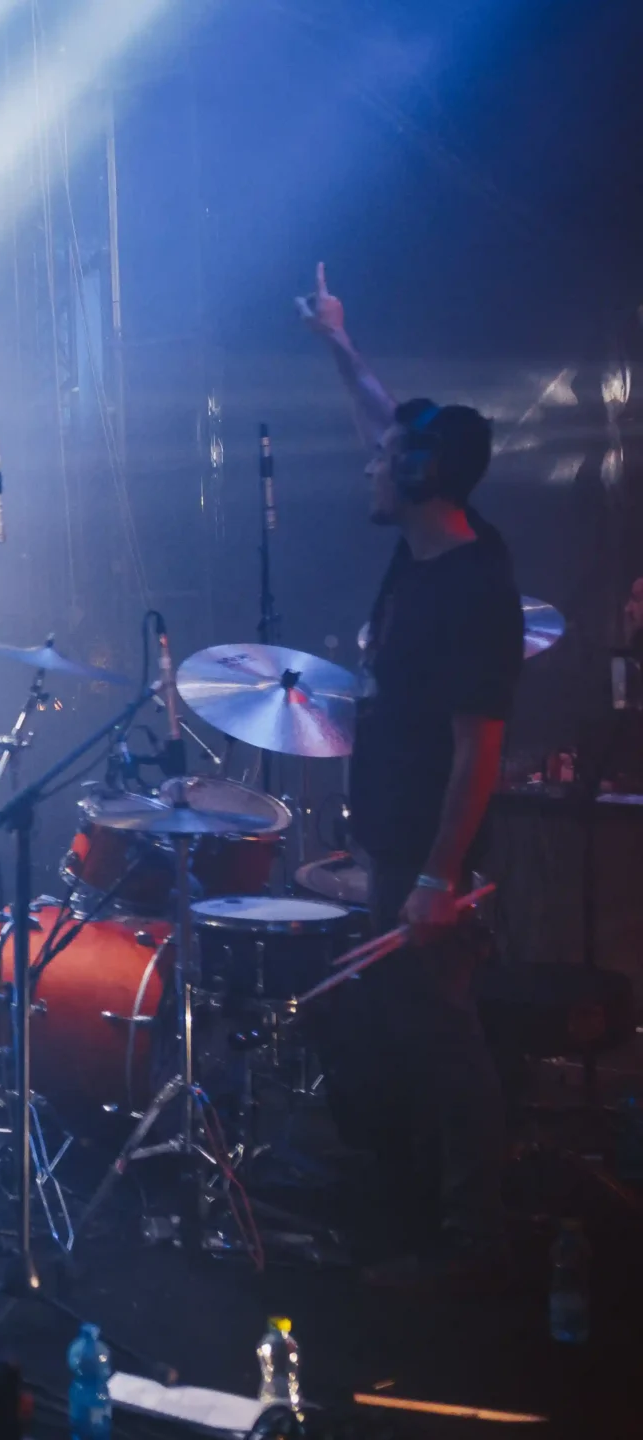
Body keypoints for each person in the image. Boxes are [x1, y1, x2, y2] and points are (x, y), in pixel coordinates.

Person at [299, 262, 514, 1290]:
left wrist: (437, 876)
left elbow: (479, 751)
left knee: (444, 1037)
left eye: (387, 462)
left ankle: (473, 1238)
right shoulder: (421, 549)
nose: (370, 466)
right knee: (400, 1030)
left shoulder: (472, 587)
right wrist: (339, 341)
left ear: (424, 478)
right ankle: (414, 1215)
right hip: (393, 840)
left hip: (435, 861)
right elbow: (381, 416)